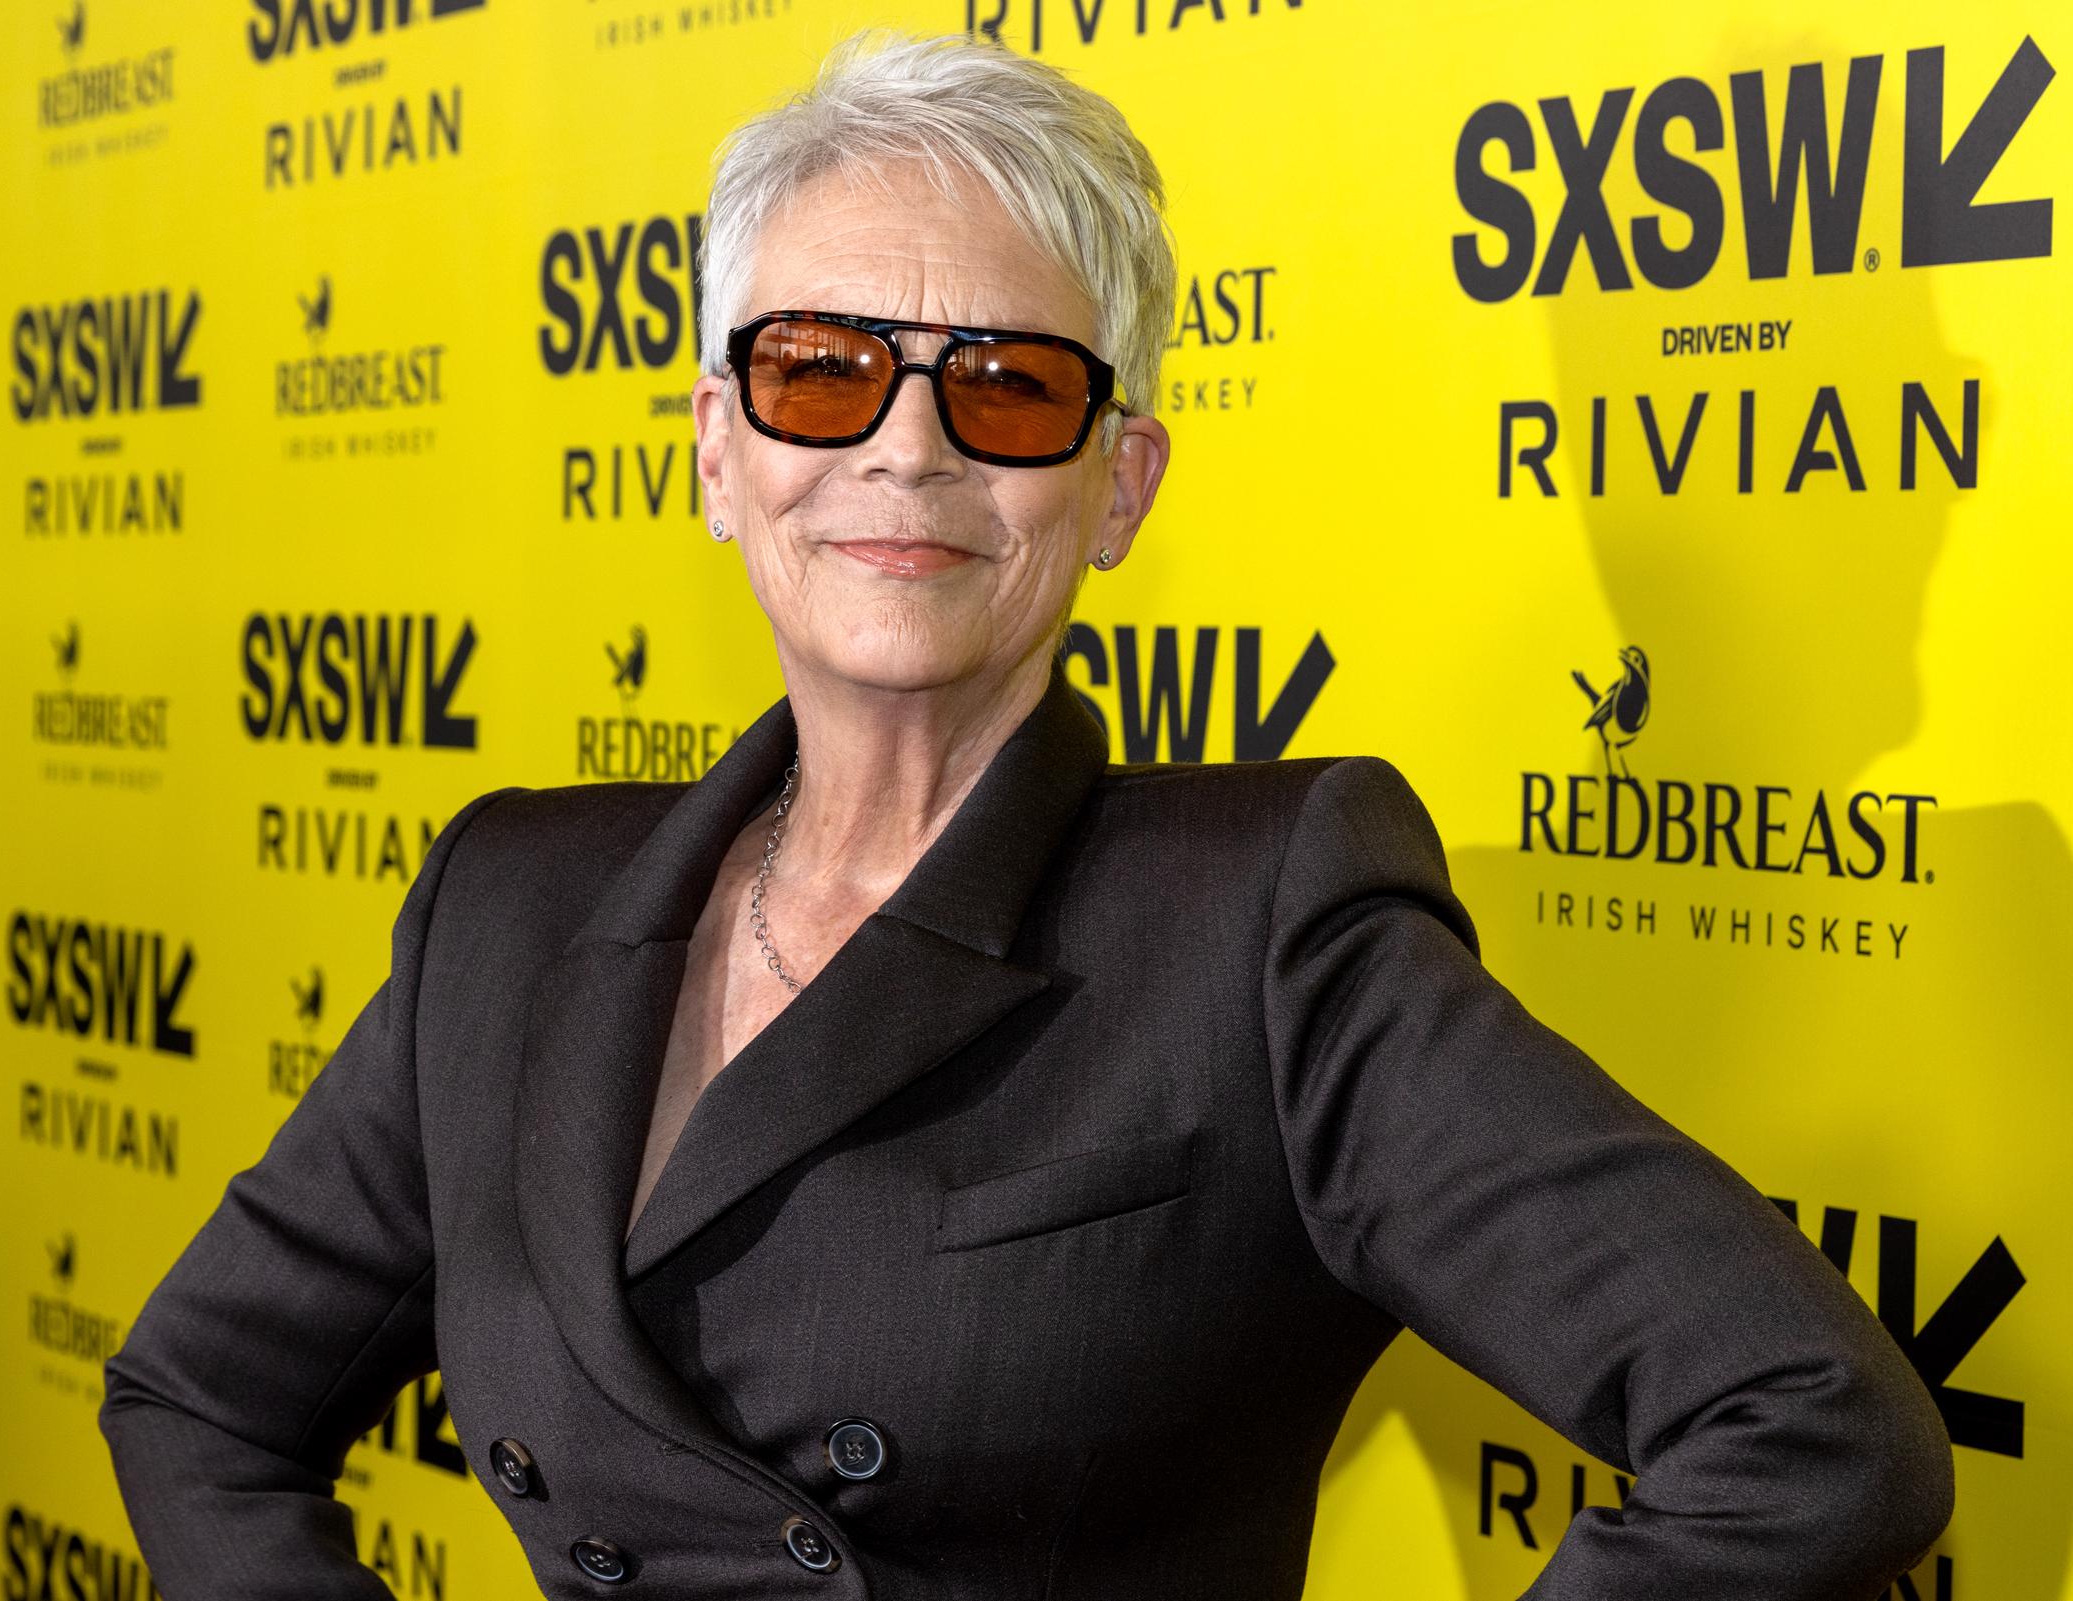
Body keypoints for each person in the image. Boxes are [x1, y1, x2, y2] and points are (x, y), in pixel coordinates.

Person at [98, 28, 1953, 1599]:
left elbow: (1810, 1429)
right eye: (820, 371)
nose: (905, 445)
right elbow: (198, 1393)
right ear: (717, 451)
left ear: (1118, 482)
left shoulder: (1262, 925)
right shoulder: (507, 899)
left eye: (1005, 385)